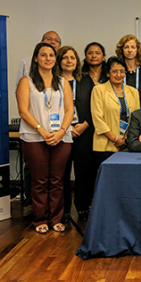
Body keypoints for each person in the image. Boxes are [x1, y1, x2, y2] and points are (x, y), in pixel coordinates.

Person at [16, 42, 73, 234]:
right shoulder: (27, 81)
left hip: (61, 137)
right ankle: (39, 219)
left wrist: (61, 131)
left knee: (57, 181)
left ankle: (56, 218)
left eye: (51, 55)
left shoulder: (63, 82)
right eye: (43, 55)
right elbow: (23, 111)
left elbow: (69, 110)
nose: (48, 58)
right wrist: (41, 130)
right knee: (39, 181)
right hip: (34, 137)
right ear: (35, 58)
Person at [56, 46, 95, 223]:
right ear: (59, 61)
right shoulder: (52, 82)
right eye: (65, 57)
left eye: (73, 57)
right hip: (60, 132)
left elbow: (93, 106)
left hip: (84, 132)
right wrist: (65, 128)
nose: (69, 61)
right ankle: (62, 211)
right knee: (62, 173)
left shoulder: (86, 81)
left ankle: (82, 208)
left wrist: (85, 124)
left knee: (83, 173)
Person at [91, 56, 141, 166]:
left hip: (127, 145)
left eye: (122, 71)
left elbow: (137, 119)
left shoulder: (133, 92)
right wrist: (115, 139)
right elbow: (97, 118)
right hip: (105, 145)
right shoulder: (98, 90)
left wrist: (126, 139)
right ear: (108, 73)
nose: (119, 75)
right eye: (114, 71)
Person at [115, 34, 141, 105]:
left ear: (137, 49)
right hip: (121, 109)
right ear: (121, 50)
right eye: (126, 47)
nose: (129, 50)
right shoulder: (117, 71)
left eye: (133, 47)